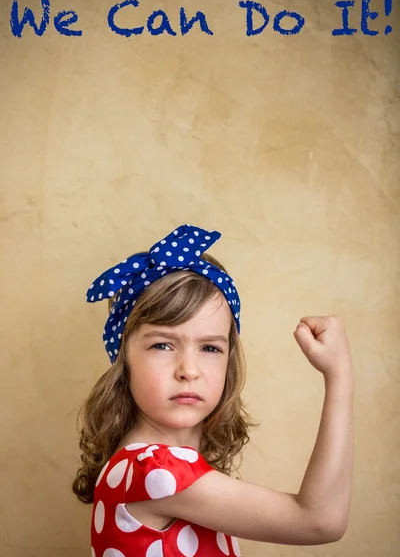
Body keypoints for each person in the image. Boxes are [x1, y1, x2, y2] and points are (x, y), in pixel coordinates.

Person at [72, 223, 355, 557]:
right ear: (124, 360)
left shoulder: (149, 466)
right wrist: (340, 376)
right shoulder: (155, 470)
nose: (188, 370)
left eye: (210, 348)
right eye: (162, 345)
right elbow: (321, 520)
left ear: (228, 363)